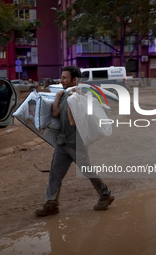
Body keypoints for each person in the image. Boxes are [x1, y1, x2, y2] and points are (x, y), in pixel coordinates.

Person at [35, 66, 114, 217]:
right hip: (62, 142)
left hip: (77, 143)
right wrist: (58, 97)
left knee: (88, 171)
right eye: (61, 77)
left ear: (74, 80)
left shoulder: (79, 97)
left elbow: (73, 122)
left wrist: (74, 103)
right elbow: (56, 113)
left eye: (64, 78)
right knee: (55, 174)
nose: (61, 80)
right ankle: (51, 204)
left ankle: (105, 195)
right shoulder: (66, 95)